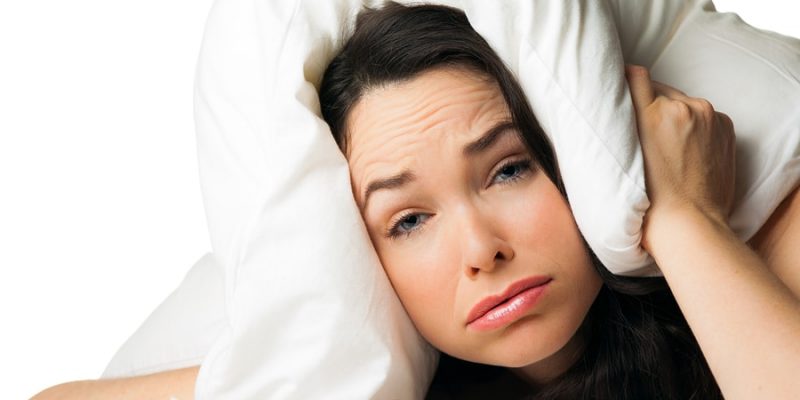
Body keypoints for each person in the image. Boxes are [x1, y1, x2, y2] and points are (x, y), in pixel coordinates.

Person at [33, 3, 800, 399]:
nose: (481, 251)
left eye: (507, 170)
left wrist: (683, 219)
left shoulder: (741, 269)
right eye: (408, 221)